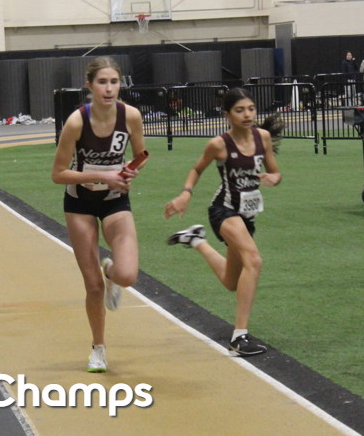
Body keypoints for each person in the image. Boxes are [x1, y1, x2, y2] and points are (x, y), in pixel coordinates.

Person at [164, 87, 282, 356]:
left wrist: (274, 178)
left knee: (231, 281)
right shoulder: (219, 144)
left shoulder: (262, 138)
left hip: (247, 216)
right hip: (224, 210)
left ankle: (196, 240)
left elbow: (275, 172)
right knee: (254, 260)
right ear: (227, 114)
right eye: (239, 110)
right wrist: (185, 194)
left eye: (250, 109)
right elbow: (197, 169)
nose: (247, 114)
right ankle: (239, 338)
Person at [51, 57, 145, 373]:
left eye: (114, 82)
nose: (108, 88)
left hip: (115, 201)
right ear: (89, 85)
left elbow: (140, 156)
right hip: (80, 204)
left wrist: (130, 171)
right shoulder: (76, 122)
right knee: (93, 287)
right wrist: (102, 176)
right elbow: (58, 173)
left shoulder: (131, 116)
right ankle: (98, 349)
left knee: (127, 275)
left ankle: (111, 271)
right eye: (102, 82)